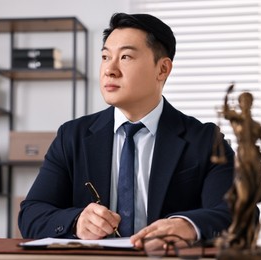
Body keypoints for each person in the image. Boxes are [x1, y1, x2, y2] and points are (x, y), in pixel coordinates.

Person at [18, 12, 235, 248]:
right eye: (105, 56)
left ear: (162, 69)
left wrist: (188, 225)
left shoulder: (204, 140)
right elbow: (32, 214)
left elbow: (239, 214)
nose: (109, 70)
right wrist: (76, 221)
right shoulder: (72, 136)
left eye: (126, 57)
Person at [219, 85, 261, 250]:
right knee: (243, 198)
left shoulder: (256, 125)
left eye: (248, 100)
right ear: (239, 103)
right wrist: (227, 94)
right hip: (242, 162)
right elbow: (224, 111)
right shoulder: (236, 119)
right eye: (243, 100)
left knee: (252, 201)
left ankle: (246, 238)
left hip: (255, 163)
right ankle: (234, 229)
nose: (246, 103)